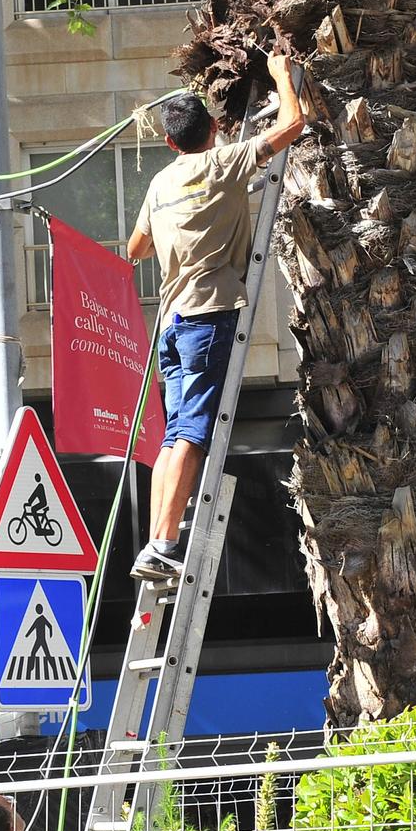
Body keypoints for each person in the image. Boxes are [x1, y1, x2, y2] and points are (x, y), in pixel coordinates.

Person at [126, 52, 307, 582]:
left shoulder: (161, 184)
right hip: (208, 315)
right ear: (212, 132)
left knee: (172, 433)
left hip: (173, 320)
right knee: (192, 435)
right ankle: (164, 541)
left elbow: (137, 248)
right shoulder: (223, 164)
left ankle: (157, 539)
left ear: (169, 143)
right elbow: (293, 126)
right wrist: (279, 76)